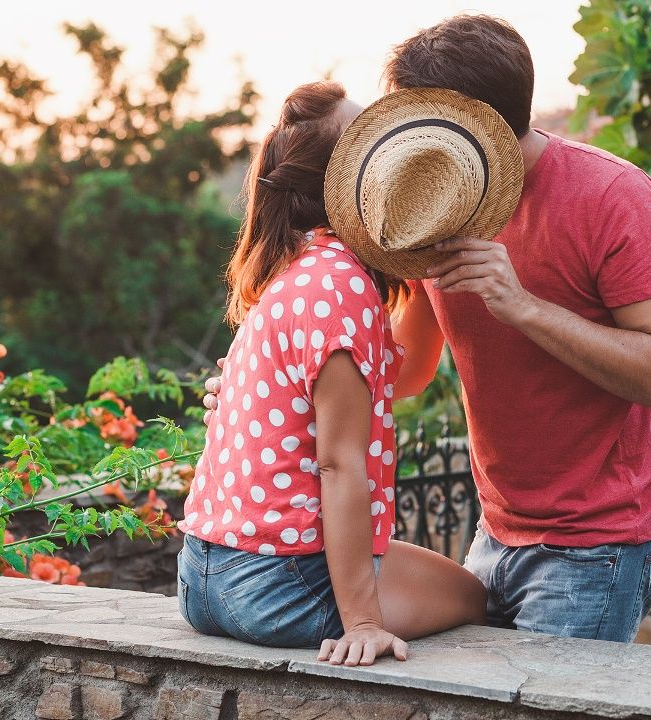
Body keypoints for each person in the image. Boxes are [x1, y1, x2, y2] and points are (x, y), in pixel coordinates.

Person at [206, 16, 651, 643]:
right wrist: (271, 390)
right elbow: (406, 370)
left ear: (476, 121)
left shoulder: (614, 196)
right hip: (494, 533)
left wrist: (524, 308)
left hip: (594, 546)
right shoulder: (435, 195)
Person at [176, 81, 488, 668]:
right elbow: (339, 464)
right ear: (349, 179)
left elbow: (405, 373)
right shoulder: (342, 284)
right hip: (275, 587)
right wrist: (364, 623)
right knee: (474, 597)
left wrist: (421, 259)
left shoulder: (294, 271)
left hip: (204, 578)